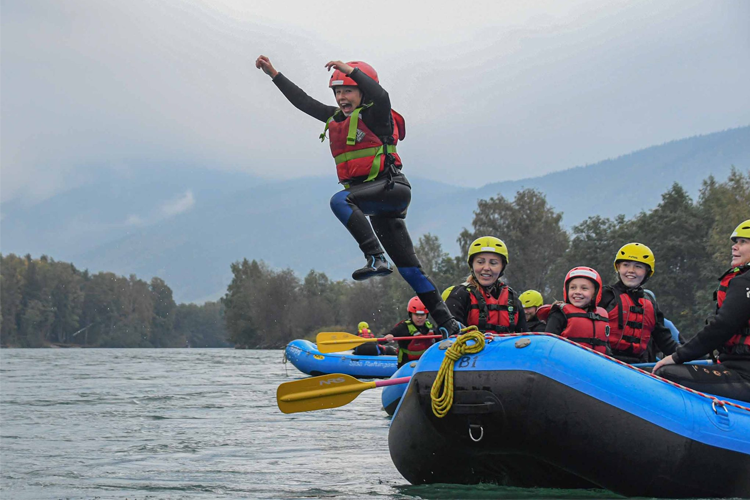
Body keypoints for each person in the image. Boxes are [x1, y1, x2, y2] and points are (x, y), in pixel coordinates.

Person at [255, 56, 461, 338]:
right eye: (337, 92)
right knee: (411, 270)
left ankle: (376, 257)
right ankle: (451, 326)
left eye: (348, 90)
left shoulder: (377, 116)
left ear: (363, 91)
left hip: (393, 189)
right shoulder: (335, 119)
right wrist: (274, 74)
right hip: (376, 203)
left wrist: (350, 70)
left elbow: (381, 95)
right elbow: (302, 101)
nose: (341, 97)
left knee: (340, 200)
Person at [654, 220, 750, 402]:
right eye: (735, 242)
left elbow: (721, 327)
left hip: (744, 375)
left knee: (666, 372)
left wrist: (677, 356)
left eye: (743, 242)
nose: (735, 247)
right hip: (737, 368)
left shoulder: (744, 282)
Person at [599, 243, 679, 363]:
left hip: (639, 367)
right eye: (626, 265)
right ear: (618, 267)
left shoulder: (650, 303)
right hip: (606, 362)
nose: (631, 271)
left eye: (638, 267)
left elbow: (665, 341)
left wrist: (691, 354)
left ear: (647, 272)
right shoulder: (605, 295)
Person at [445, 236, 528, 334]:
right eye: (480, 262)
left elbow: (524, 335)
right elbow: (449, 334)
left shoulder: (512, 298)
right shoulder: (460, 294)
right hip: (470, 348)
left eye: (493, 263)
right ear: (472, 265)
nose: (486, 268)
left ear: (502, 267)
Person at [544, 267, 611, 354]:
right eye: (573, 288)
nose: (577, 292)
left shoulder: (602, 316)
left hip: (594, 365)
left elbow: (607, 349)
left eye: (584, 288)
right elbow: (548, 345)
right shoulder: (559, 314)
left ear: (595, 293)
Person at [384, 297, 439, 368]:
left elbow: (440, 339)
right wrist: (388, 336)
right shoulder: (403, 327)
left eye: (422, 315)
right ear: (411, 314)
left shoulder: (430, 327)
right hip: (406, 365)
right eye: (416, 315)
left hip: (425, 364)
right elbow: (386, 336)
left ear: (426, 315)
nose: (419, 317)